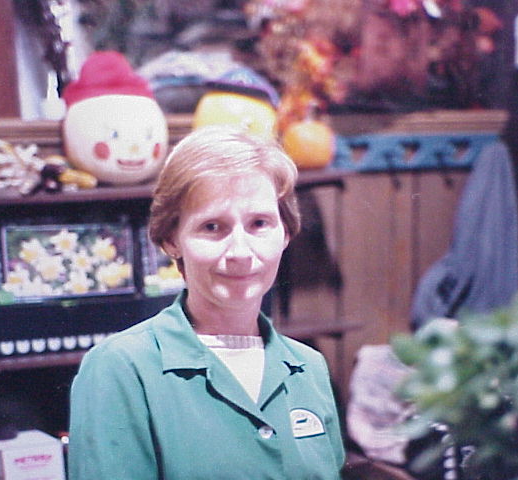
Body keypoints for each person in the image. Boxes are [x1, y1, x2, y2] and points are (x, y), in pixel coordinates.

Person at [68, 126, 345, 479]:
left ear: (285, 233)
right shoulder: (120, 369)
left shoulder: (310, 368)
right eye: (212, 227)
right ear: (171, 240)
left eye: (259, 223)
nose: (240, 252)